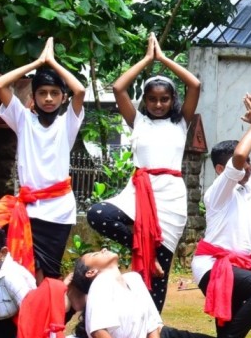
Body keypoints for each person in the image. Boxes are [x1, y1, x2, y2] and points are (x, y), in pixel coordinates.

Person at [160, 93, 251, 338]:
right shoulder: (217, 193)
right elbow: (238, 156)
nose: (248, 166)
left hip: (237, 267)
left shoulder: (249, 188)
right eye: (242, 165)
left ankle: (159, 335)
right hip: (213, 266)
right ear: (220, 169)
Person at [86, 33, 201, 311]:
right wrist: (147, 60)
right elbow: (118, 87)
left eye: (164, 99)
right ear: (145, 101)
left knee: (159, 274)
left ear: (172, 99)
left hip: (170, 196)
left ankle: (152, 333)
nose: (158, 104)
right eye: (152, 99)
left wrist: (163, 59)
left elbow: (194, 84)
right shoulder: (137, 121)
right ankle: (143, 250)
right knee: (98, 214)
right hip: (138, 191)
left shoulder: (180, 122)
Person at [0, 37, 86, 281]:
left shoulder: (68, 123)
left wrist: (52, 63)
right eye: (42, 93)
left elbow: (81, 90)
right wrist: (37, 62)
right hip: (29, 209)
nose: (48, 98)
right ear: (33, 97)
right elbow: (0, 84)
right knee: (25, 269)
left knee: (50, 272)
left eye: (55, 93)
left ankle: (48, 316)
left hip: (60, 210)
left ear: (63, 98)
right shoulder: (23, 120)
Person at [64, 249, 193, 338]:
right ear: (91, 272)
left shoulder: (134, 279)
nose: (103, 249)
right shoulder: (100, 283)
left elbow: (152, 323)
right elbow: (98, 332)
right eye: (95, 254)